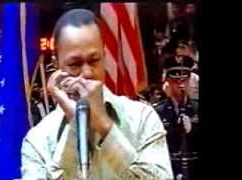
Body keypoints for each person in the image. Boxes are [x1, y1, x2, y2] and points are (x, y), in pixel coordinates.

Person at [21, 9, 173, 179]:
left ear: (104, 56)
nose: (87, 73)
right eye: (75, 64)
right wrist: (74, 125)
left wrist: (102, 123)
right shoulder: (38, 140)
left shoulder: (142, 119)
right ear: (57, 65)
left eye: (94, 60)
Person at [154, 55, 199, 180]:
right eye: (176, 80)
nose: (181, 85)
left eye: (184, 79)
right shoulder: (158, 112)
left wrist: (193, 128)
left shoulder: (197, 108)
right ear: (167, 80)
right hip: (169, 172)